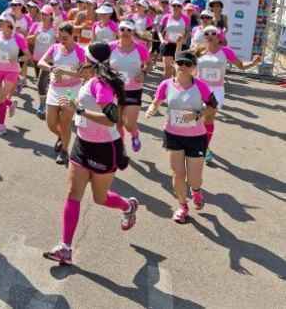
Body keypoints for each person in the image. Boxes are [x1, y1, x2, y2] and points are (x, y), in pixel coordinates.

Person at [43, 42, 139, 266]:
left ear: (91, 62)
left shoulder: (101, 85)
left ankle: (128, 206)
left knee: (100, 198)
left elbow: (111, 118)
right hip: (82, 145)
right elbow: (86, 106)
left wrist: (79, 110)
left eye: (83, 58)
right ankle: (65, 248)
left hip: (105, 148)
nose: (80, 62)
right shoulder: (90, 81)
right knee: (72, 194)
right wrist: (75, 104)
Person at [145, 50, 217, 223]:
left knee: (193, 178)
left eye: (188, 64)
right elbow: (158, 100)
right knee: (178, 174)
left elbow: (213, 105)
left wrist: (198, 114)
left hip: (196, 137)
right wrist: (152, 108)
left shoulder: (200, 86)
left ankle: (197, 191)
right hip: (173, 134)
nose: (183, 67)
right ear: (174, 64)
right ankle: (182, 206)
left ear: (194, 67)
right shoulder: (166, 84)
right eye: (180, 63)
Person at [194, 26, 260, 164]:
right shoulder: (199, 51)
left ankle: (204, 148)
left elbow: (241, 66)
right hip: (200, 89)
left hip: (216, 90)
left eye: (213, 33)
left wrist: (254, 63)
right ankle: (199, 142)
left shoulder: (225, 52)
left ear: (219, 37)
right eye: (207, 33)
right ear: (204, 36)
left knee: (209, 116)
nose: (210, 35)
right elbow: (188, 68)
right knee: (199, 120)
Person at [38, 23, 86, 164]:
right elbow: (41, 62)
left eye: (65, 37)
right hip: (55, 89)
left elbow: (84, 73)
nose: (62, 40)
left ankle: (64, 150)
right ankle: (62, 137)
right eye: (59, 37)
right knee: (51, 123)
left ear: (73, 36)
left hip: (71, 90)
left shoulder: (80, 51)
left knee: (65, 123)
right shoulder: (55, 48)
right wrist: (52, 68)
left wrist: (64, 72)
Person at [109, 20, 150, 152]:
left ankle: (134, 134)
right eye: (122, 29)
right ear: (118, 31)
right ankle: (121, 147)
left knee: (129, 124)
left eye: (129, 30)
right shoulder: (110, 47)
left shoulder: (140, 48)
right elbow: (102, 64)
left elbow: (148, 63)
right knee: (118, 123)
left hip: (133, 89)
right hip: (114, 90)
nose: (125, 33)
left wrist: (143, 72)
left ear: (133, 32)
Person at [0, 13, 29, 136]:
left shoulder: (18, 38)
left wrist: (17, 59)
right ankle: (10, 104)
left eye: (3, 21)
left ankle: (1, 126)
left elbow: (28, 56)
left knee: (0, 97)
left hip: (12, 70)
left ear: (10, 24)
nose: (0, 23)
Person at [27, 5, 58, 119]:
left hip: (49, 60)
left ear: (51, 15)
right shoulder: (36, 25)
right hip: (36, 58)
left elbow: (59, 43)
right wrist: (35, 36)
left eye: (46, 14)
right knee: (42, 82)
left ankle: (42, 105)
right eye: (42, 14)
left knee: (41, 82)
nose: (43, 16)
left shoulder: (55, 29)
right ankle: (47, 100)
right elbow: (28, 39)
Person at [158, 0, 190, 79]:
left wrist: (184, 40)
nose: (176, 7)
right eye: (174, 5)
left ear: (181, 7)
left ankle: (176, 88)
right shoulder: (166, 17)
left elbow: (187, 31)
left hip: (180, 46)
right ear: (171, 6)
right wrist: (162, 40)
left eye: (178, 6)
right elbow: (159, 30)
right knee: (167, 68)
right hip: (168, 45)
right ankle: (165, 88)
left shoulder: (185, 18)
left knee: (177, 69)